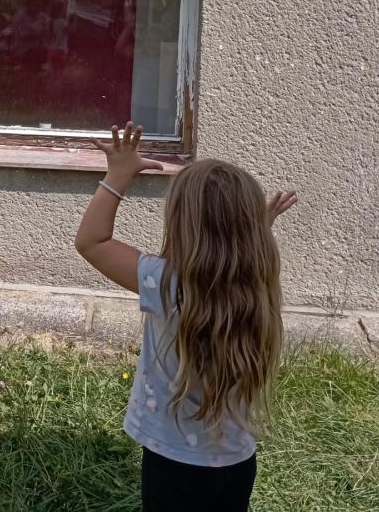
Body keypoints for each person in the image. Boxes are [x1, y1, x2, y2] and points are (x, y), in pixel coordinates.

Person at [75, 122, 297, 511]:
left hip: (173, 462)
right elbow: (241, 258)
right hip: (238, 462)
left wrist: (118, 176)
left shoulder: (166, 284)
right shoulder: (257, 284)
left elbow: (92, 242)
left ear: (180, 223)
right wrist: (256, 230)